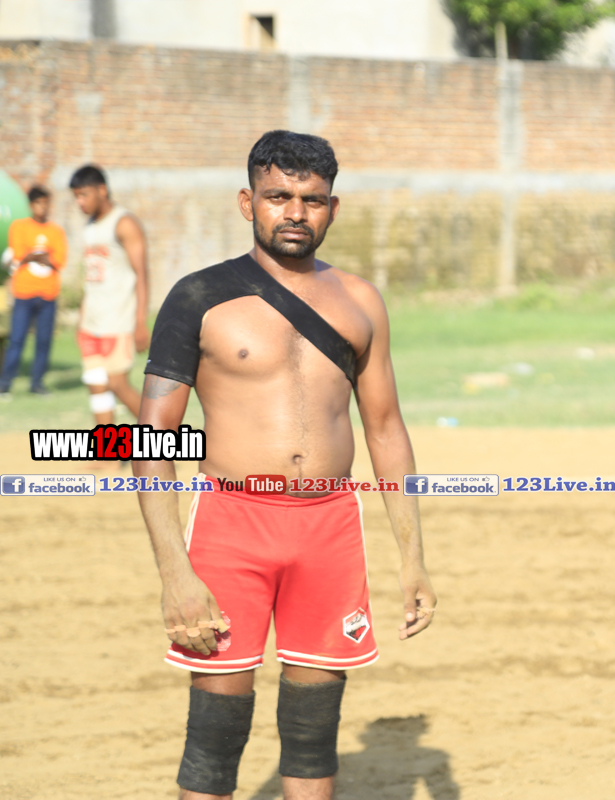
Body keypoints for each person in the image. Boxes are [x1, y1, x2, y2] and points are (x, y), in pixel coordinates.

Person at [133, 130, 435, 800]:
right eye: (278, 197)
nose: (295, 212)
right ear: (249, 203)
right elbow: (152, 441)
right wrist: (174, 574)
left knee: (313, 733)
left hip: (329, 526)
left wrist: (413, 557)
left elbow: (386, 429)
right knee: (214, 737)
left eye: (312, 200)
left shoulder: (361, 302)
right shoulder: (197, 296)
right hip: (231, 526)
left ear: (333, 208)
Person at [70, 164, 149, 424]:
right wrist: (81, 318)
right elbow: (91, 279)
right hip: (91, 324)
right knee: (96, 386)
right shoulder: (89, 226)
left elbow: (141, 274)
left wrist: (140, 322)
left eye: (84, 195)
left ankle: (164, 435)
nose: (79, 202)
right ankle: (109, 449)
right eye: (76, 197)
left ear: (102, 190)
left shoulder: (124, 223)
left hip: (117, 321)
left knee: (117, 384)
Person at [0, 185, 67, 397]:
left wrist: (33, 256)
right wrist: (40, 256)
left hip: (48, 294)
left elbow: (59, 259)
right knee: (17, 339)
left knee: (44, 341)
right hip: (24, 292)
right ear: (31, 205)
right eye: (38, 203)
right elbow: (19, 255)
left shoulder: (55, 231)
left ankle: (37, 383)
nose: (42, 208)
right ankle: (5, 383)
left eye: (46, 203)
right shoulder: (19, 227)